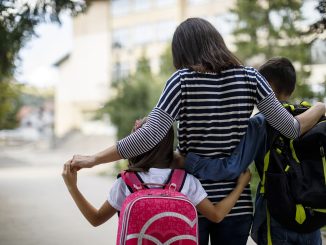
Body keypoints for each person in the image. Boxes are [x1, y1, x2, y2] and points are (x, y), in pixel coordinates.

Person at [69, 18, 324, 245]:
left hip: (189, 199)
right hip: (236, 203)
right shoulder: (251, 78)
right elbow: (291, 129)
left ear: (182, 51)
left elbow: (149, 136)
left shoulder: (181, 80)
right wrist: (321, 106)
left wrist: (94, 159)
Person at [181, 57, 324, 244]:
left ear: (264, 87)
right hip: (313, 215)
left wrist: (188, 162)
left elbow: (232, 167)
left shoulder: (261, 122)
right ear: (291, 90)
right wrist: (321, 107)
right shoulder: (313, 118)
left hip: (277, 215)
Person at [62, 118, 252, 233]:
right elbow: (217, 215)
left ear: (134, 146)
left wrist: (72, 187)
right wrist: (240, 185)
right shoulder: (185, 181)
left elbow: (95, 219)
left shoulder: (126, 183)